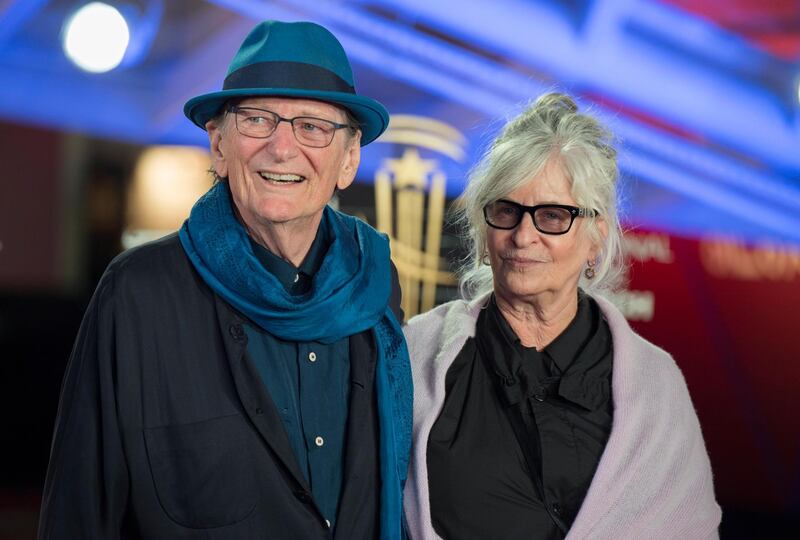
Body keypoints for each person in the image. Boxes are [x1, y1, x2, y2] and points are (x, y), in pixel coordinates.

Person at [39, 20, 411, 539]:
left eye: (313, 126)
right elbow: (80, 511)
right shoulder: (138, 294)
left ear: (348, 159)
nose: (282, 148)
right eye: (257, 120)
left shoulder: (375, 285)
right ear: (219, 145)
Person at [403, 93, 721, 539]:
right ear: (483, 228)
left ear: (596, 238)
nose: (523, 235)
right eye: (506, 211)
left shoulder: (655, 382)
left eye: (552, 216)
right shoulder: (415, 355)